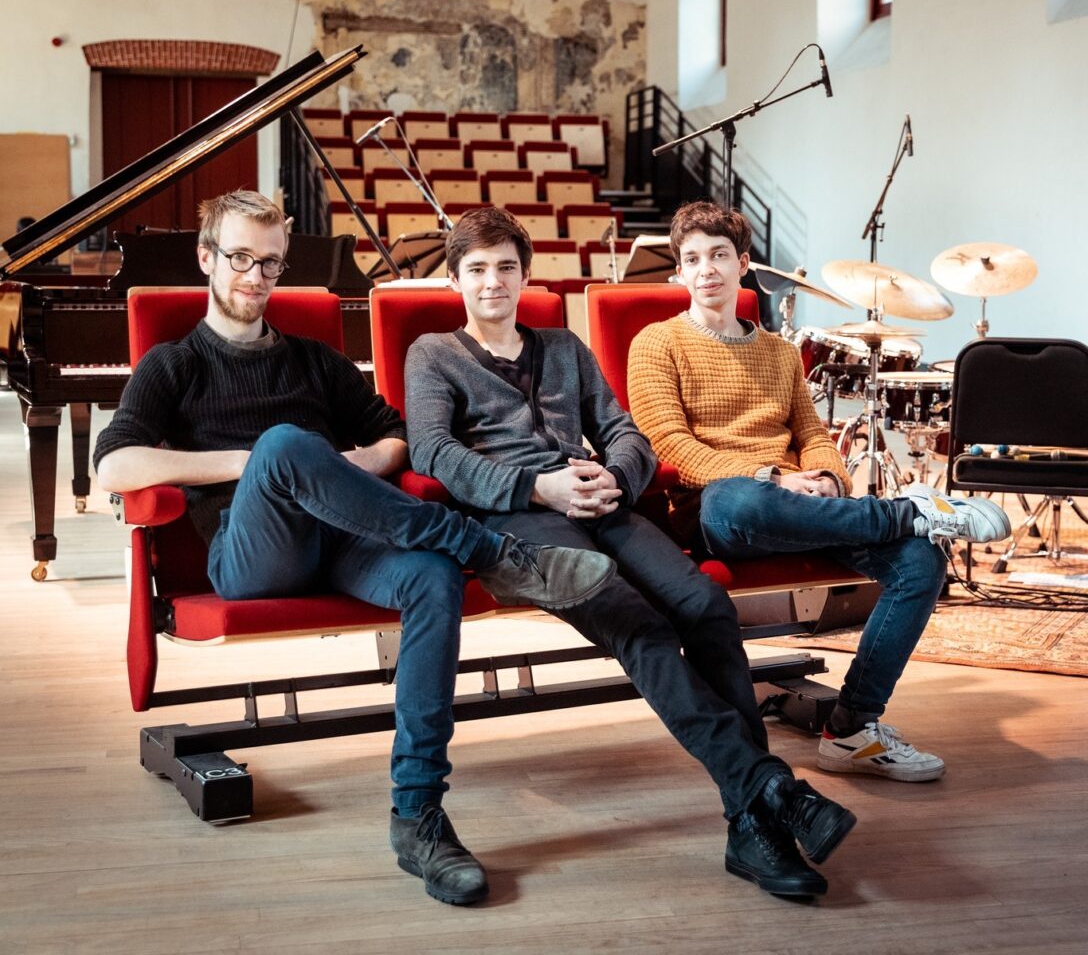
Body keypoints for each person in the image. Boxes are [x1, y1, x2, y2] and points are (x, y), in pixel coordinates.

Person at [92, 190, 616, 907]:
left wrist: (350, 465)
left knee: (431, 577)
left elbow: (397, 437)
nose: (255, 276)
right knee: (284, 444)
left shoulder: (315, 360)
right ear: (207, 258)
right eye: (240, 258)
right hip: (252, 555)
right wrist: (253, 461)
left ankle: (418, 815)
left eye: (270, 263)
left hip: (344, 541)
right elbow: (114, 466)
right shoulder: (173, 364)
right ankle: (488, 548)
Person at [405, 205, 859, 900]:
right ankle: (768, 794)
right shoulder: (433, 353)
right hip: (520, 519)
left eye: (506, 267)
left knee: (705, 605)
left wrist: (614, 475)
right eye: (477, 269)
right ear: (454, 279)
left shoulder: (562, 346)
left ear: (525, 275)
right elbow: (434, 452)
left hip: (602, 504)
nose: (493, 281)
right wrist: (538, 486)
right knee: (637, 625)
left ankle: (750, 821)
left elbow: (624, 430)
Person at [628, 201, 1012, 784]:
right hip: (722, 509)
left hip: (804, 505)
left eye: (719, 256)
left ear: (743, 264)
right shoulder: (657, 343)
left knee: (921, 561)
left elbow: (812, 435)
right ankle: (907, 512)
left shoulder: (780, 352)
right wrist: (774, 477)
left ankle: (852, 728)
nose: (706, 270)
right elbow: (670, 445)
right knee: (739, 498)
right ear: (679, 271)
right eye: (693, 259)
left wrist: (828, 477)